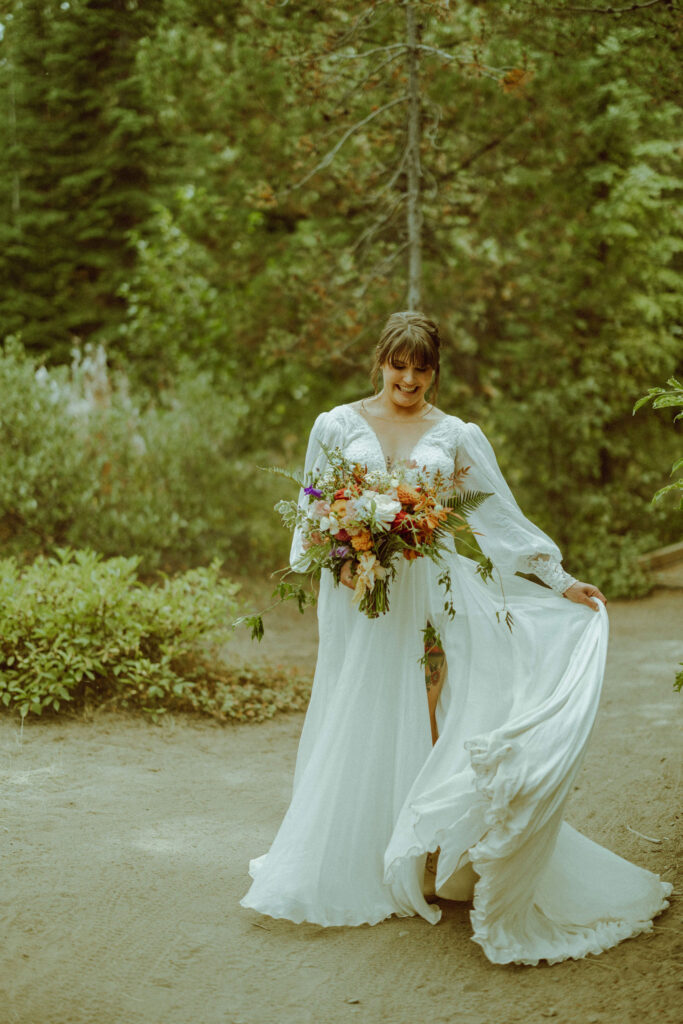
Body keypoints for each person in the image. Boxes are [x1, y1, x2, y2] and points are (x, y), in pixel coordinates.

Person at [241, 311, 671, 965]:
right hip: (362, 593)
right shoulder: (334, 425)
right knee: (361, 707)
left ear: (434, 371)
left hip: (435, 592)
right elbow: (312, 508)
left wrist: (558, 580)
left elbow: (497, 516)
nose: (408, 379)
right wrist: (344, 556)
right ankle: (357, 856)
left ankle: (434, 863)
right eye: (398, 365)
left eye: (421, 368)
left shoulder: (456, 435)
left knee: (437, 708)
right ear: (379, 363)